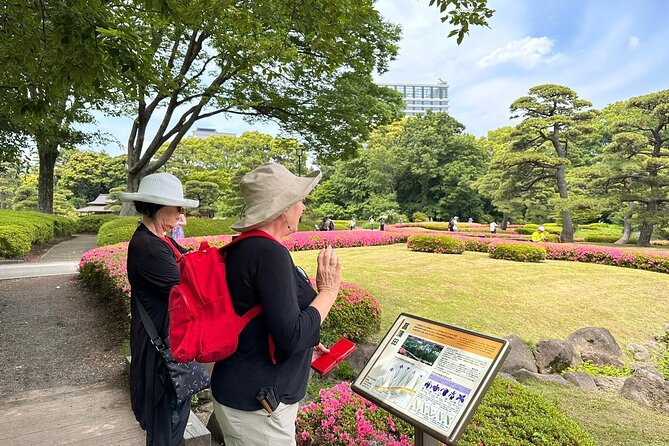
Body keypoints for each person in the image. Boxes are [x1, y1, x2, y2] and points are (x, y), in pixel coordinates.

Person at [210, 163, 342, 446]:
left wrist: (308, 342)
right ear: (283, 208)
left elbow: (265, 318)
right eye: (299, 201)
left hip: (241, 390)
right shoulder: (269, 253)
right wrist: (329, 291)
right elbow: (290, 336)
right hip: (258, 406)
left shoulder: (245, 247)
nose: (303, 208)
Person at [119, 173, 200, 446]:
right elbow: (193, 288)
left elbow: (191, 263)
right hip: (161, 357)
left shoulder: (160, 239)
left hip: (169, 348)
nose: (181, 213)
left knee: (173, 421)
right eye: (177, 207)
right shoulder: (149, 247)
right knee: (166, 428)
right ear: (157, 206)